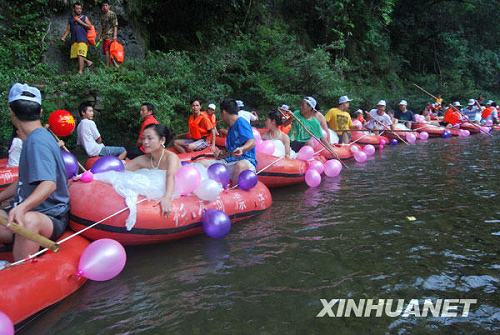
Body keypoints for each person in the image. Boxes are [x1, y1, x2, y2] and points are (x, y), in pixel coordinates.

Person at [0, 83, 69, 261]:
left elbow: (49, 184)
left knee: (28, 221)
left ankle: (20, 271)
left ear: (11, 112)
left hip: (49, 216)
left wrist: (23, 207)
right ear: (40, 112)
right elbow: (23, 181)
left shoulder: (37, 142)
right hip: (22, 209)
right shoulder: (35, 137)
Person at [125, 124, 180, 215]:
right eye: (143, 138)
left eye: (150, 138)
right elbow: (122, 170)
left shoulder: (171, 157)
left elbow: (171, 176)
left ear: (162, 140)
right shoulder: (143, 160)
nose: (145, 142)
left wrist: (167, 197)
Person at [201, 99, 256, 183]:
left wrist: (242, 149)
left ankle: (234, 191)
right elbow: (230, 151)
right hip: (229, 162)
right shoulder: (230, 128)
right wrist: (221, 154)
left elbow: (252, 142)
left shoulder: (241, 122)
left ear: (223, 112)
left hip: (246, 161)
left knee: (240, 165)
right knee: (202, 163)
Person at [60, 2, 93, 74]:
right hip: (74, 40)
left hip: (83, 39)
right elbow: (68, 30)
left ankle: (80, 72)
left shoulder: (84, 17)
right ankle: (88, 62)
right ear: (74, 9)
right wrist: (64, 37)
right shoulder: (70, 19)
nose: (79, 10)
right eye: (77, 8)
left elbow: (89, 26)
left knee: (80, 54)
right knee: (76, 55)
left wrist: (79, 21)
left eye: (80, 8)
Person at [99, 1, 118, 67]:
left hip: (110, 35)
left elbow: (115, 25)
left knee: (108, 50)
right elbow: (102, 27)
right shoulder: (102, 16)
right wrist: (100, 35)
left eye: (106, 5)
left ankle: (107, 66)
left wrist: (115, 36)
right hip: (104, 36)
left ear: (109, 6)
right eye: (103, 6)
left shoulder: (112, 14)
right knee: (107, 51)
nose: (104, 7)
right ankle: (115, 65)